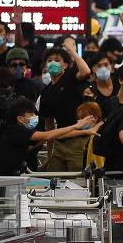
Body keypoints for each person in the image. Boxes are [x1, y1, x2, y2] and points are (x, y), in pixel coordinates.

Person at [0, 97, 95, 176]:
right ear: (20, 118)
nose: (35, 116)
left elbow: (55, 134)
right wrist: (77, 125)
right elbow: (48, 136)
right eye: (31, 114)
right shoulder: (15, 131)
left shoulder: (21, 132)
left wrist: (85, 131)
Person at [38, 40, 92, 172]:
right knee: (55, 178)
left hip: (80, 138)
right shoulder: (46, 92)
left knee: (77, 180)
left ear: (65, 65)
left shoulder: (70, 77)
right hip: (60, 141)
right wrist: (50, 154)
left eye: (57, 60)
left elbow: (85, 71)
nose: (52, 63)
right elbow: (49, 125)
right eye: (49, 60)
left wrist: (71, 51)